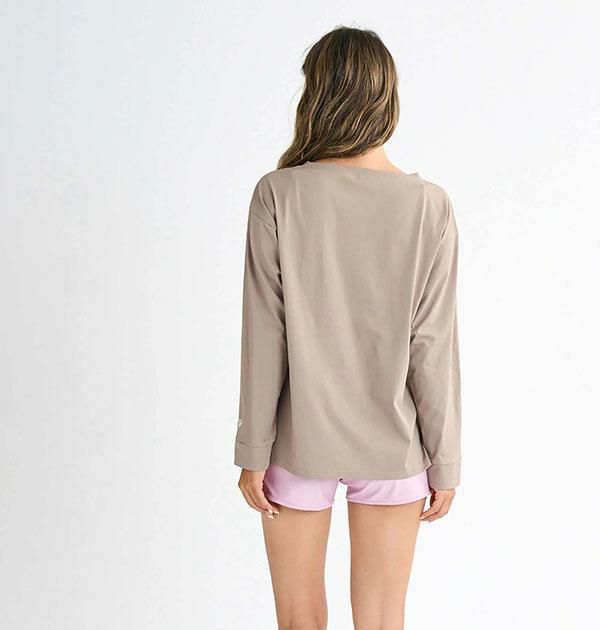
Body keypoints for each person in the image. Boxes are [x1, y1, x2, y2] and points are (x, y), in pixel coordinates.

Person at [234, 25, 461, 630]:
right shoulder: (429, 205)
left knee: (298, 619)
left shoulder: (278, 194)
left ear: (317, 94)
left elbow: (265, 334)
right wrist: (445, 460)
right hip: (394, 444)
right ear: (387, 97)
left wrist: (252, 450)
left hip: (297, 443)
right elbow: (431, 346)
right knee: (383, 620)